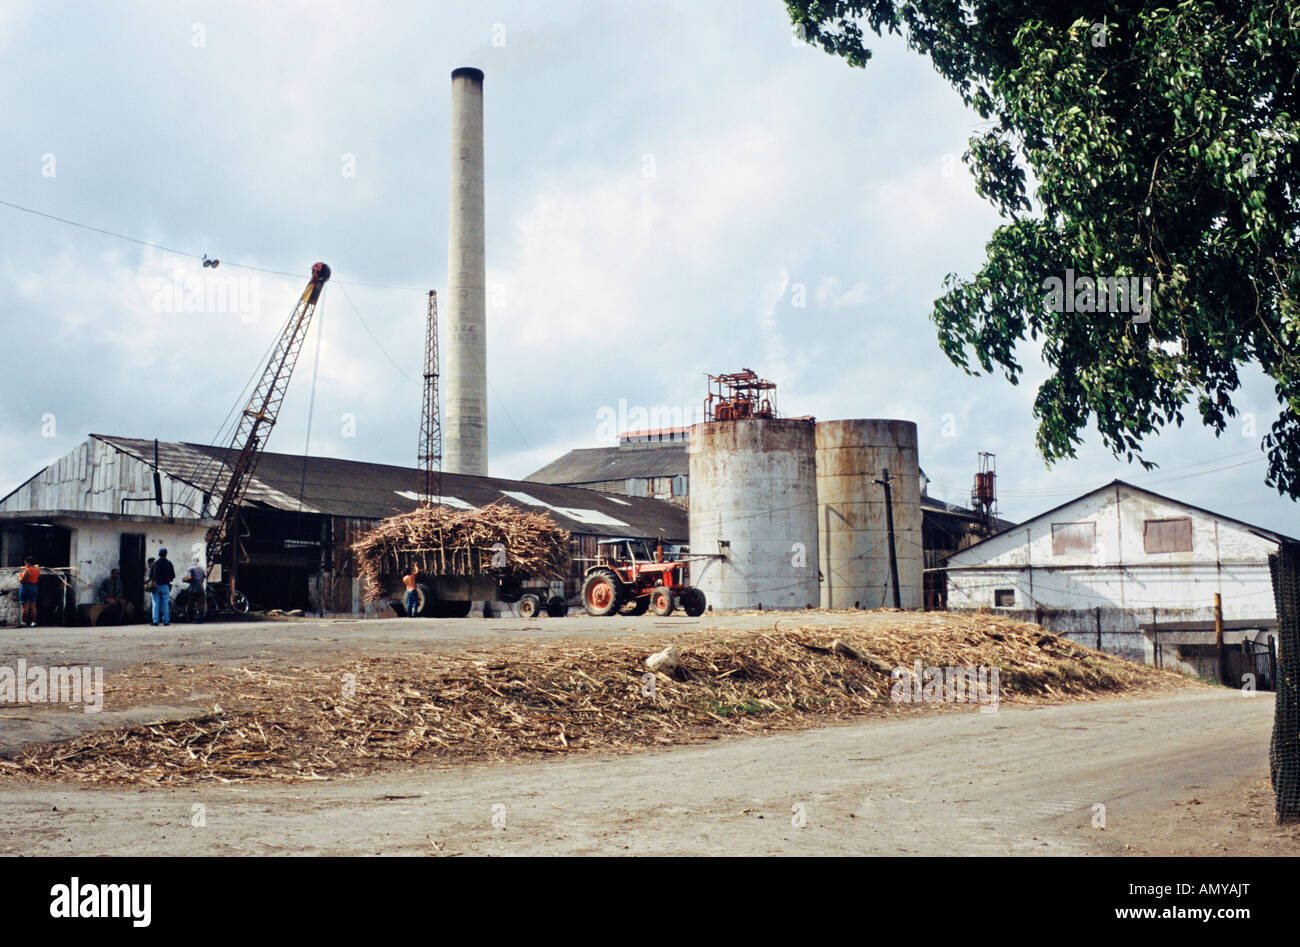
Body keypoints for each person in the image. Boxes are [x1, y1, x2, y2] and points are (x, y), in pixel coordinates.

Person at [149, 548, 176, 627]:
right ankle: (166, 621)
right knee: (165, 604)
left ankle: (155, 621)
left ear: (159, 554)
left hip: (156, 586)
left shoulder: (155, 563)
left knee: (155, 603)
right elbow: (172, 576)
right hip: (165, 585)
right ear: (166, 554)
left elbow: (151, 575)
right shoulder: (169, 563)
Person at [16, 557, 39, 627]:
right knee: (33, 606)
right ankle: (33, 622)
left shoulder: (28, 570)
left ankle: (23, 622)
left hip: (26, 587)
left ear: (27, 562)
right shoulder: (37, 570)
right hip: (34, 587)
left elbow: (21, 580)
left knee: (25, 606)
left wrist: (19, 576)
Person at [184, 557, 207, 623]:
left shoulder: (190, 569)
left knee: (190, 604)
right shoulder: (201, 569)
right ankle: (201, 619)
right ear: (197, 561)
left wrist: (184, 580)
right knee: (200, 605)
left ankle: (189, 619)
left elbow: (189, 578)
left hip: (193, 589)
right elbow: (203, 578)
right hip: (201, 589)